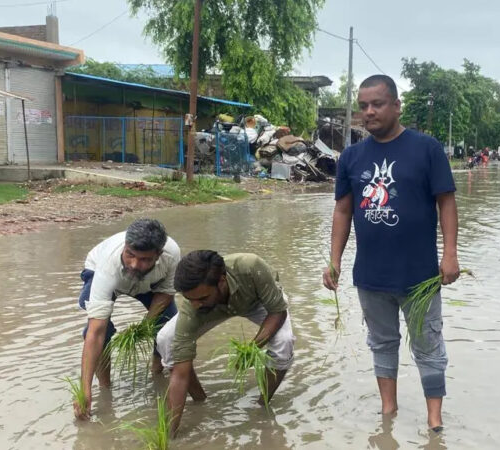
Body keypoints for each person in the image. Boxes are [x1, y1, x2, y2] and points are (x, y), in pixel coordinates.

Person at [323, 74, 460, 432]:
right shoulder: (351, 157)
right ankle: (389, 411)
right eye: (363, 106)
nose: (368, 112)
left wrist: (450, 254)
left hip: (420, 275)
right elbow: (342, 211)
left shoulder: (427, 148)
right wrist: (334, 261)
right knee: (382, 344)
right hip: (372, 275)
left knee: (427, 344)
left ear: (397, 106)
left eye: (377, 104)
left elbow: (446, 202)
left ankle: (434, 418)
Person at [156, 250, 295, 436]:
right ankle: (200, 401)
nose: (195, 304)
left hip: (256, 300)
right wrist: (167, 435)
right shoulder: (195, 306)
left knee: (284, 342)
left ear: (222, 281)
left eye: (201, 298)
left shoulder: (251, 267)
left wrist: (251, 349)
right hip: (212, 310)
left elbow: (278, 312)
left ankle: (262, 405)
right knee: (166, 339)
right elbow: (180, 375)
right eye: (190, 299)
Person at [75, 218, 180, 419]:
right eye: (130, 254)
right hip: (100, 271)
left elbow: (166, 293)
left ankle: (157, 372)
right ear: (125, 246)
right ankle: (105, 387)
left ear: (158, 255)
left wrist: (146, 325)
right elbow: (95, 333)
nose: (134, 264)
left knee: (167, 325)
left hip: (150, 281)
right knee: (100, 331)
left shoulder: (172, 255)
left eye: (144, 259)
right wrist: (84, 389)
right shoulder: (108, 267)